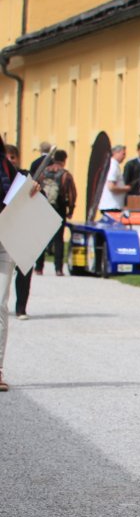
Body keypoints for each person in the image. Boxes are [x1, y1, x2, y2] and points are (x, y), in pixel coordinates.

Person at [32, 149, 75, 278]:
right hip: (59, 207)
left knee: (41, 238)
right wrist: (70, 210)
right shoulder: (65, 174)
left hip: (43, 207)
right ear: (64, 160)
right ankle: (58, 269)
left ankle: (38, 268)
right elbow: (72, 193)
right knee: (59, 239)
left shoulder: (44, 172)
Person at [0, 137, 19, 390]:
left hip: (4, 240)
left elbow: (22, 195)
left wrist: (33, 190)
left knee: (0, 304)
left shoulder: (6, 166)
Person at [99, 143, 130, 214]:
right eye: (123, 154)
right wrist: (125, 189)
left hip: (112, 205)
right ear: (116, 153)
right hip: (112, 205)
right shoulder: (113, 166)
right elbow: (111, 187)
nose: (124, 157)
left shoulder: (111, 164)